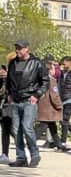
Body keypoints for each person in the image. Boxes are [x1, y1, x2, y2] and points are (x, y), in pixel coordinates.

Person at [6, 40, 47, 168]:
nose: (17, 50)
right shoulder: (13, 63)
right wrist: (9, 94)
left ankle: (35, 154)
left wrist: (37, 95)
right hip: (16, 100)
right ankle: (21, 157)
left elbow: (45, 82)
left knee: (27, 127)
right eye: (16, 48)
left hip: (29, 100)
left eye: (20, 48)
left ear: (26, 49)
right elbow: (9, 80)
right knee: (16, 129)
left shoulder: (37, 63)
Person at [37, 59, 67, 151]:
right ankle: (30, 141)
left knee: (52, 127)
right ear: (49, 70)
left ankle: (59, 145)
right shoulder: (52, 80)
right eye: (54, 68)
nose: (55, 70)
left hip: (43, 107)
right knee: (42, 128)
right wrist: (59, 105)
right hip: (49, 108)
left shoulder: (40, 80)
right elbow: (54, 95)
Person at [0, 64, 10, 163]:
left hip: (8, 108)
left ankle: (24, 153)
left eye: (3, 70)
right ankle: (4, 153)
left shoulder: (10, 81)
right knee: (5, 131)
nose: (1, 72)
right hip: (2, 108)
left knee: (9, 130)